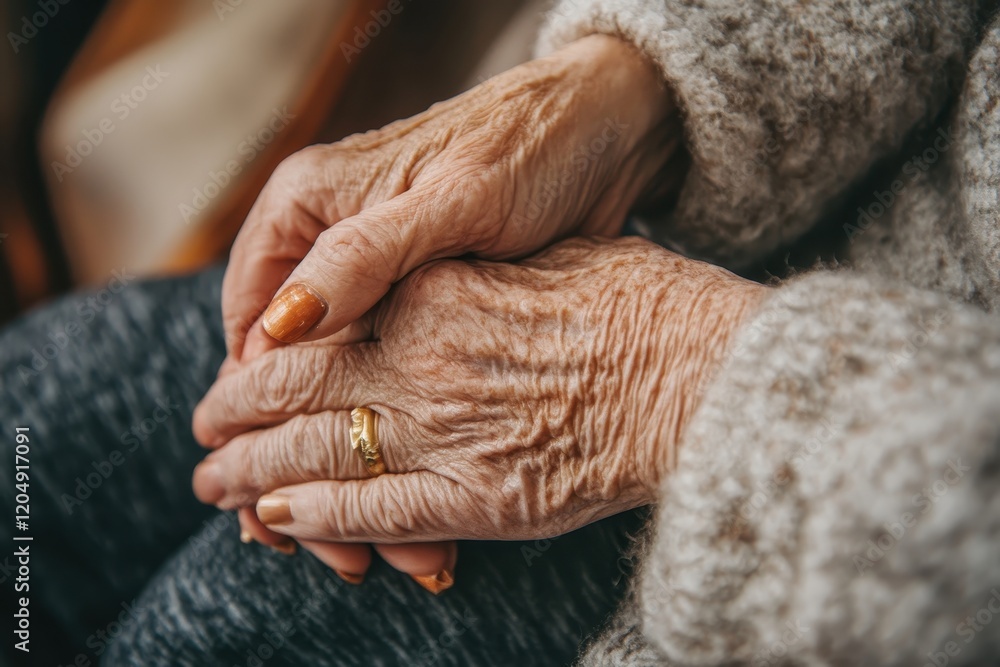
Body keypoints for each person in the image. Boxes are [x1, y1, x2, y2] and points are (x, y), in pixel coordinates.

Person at [2, 2, 999, 665]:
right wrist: (640, 87)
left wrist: (666, 380)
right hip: (633, 226)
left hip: (794, 535)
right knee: (35, 420)